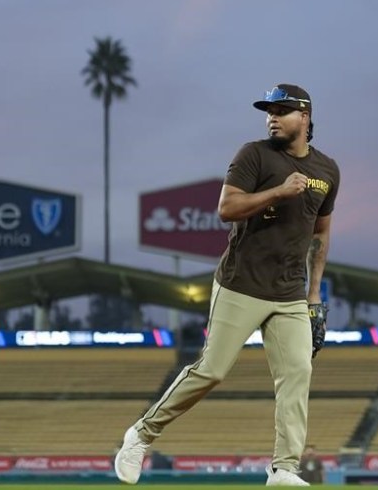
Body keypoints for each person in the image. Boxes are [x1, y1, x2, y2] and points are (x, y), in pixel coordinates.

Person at [113, 83, 340, 487]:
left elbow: (321, 233)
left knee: (297, 373)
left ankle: (284, 469)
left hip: (288, 293)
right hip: (241, 284)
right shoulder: (253, 155)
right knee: (212, 371)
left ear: (304, 117)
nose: (272, 117)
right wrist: (279, 191)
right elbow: (226, 209)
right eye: (268, 111)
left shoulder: (327, 171)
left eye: (281, 111)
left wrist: (314, 296)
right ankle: (140, 435)